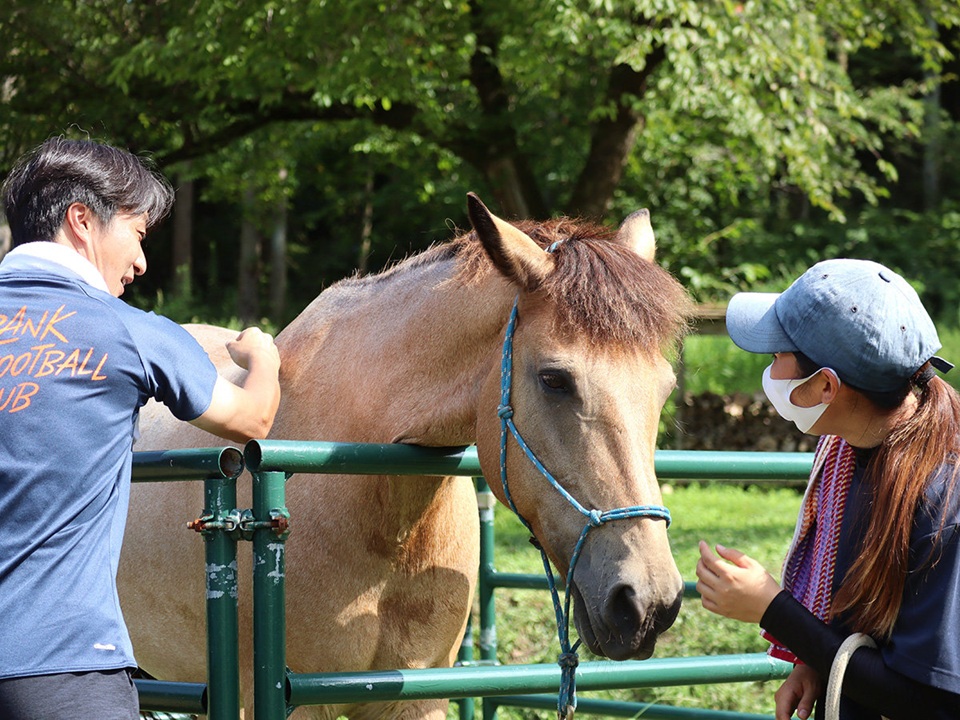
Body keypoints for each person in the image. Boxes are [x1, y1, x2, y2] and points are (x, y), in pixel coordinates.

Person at [0, 137, 282, 720]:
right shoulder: (127, 331)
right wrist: (265, 357)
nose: (141, 262)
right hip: (61, 668)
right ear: (83, 220)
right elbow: (252, 420)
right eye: (137, 233)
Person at [695, 258, 960, 720]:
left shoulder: (942, 502)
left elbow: (929, 700)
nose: (769, 367)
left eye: (778, 354)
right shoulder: (851, 452)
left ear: (824, 387)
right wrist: (815, 662)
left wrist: (773, 610)